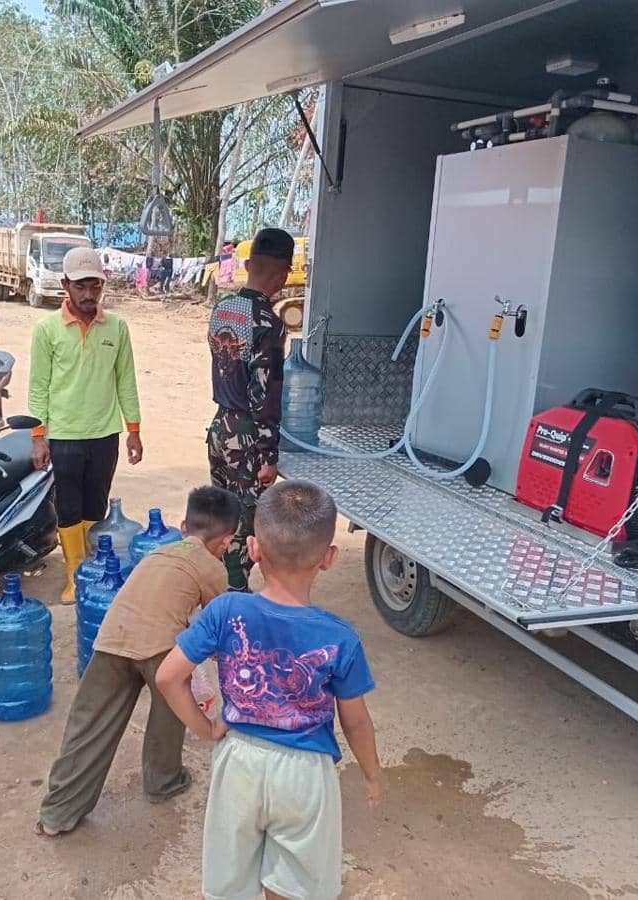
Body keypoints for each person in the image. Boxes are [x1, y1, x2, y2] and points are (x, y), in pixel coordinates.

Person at [157, 481, 384, 900]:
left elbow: (169, 677)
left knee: (231, 884)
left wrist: (207, 729)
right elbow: (356, 722)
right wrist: (371, 773)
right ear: (329, 558)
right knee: (294, 886)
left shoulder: (227, 609)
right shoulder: (340, 637)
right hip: (305, 772)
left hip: (238, 762)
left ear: (254, 548)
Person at [38, 486, 242, 836]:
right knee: (170, 713)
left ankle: (57, 813)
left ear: (183, 526)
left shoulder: (155, 555)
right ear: (227, 540)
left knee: (88, 724)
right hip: (160, 647)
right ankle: (163, 781)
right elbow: (219, 624)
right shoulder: (212, 568)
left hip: (111, 637)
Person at [28, 246, 143, 603]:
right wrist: (37, 436)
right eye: (81, 287)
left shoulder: (117, 328)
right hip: (63, 435)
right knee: (68, 508)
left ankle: (92, 570)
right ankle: (75, 576)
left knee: (96, 506)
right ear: (66, 285)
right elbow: (38, 386)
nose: (89, 294)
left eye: (95, 286)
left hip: (104, 434)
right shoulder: (47, 330)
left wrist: (134, 431)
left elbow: (126, 381)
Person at [206, 227, 292, 590]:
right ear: (285, 273)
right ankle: (233, 602)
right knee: (244, 527)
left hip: (219, 427)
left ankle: (210, 589)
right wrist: (269, 454)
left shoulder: (222, 307)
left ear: (248, 264)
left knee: (219, 520)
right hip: (247, 438)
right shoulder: (268, 323)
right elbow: (264, 394)